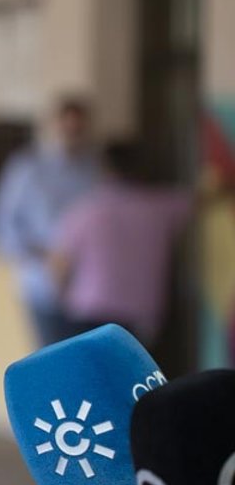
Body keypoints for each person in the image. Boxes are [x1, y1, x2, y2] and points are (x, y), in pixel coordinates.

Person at [48, 141, 194, 348]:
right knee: (134, 368)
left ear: (103, 169)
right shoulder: (162, 207)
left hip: (89, 310)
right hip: (141, 315)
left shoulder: (84, 210)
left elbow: (60, 266)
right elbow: (202, 197)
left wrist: (63, 299)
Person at [0, 97, 99, 347]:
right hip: (44, 288)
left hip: (91, 291)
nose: (72, 134)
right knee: (53, 358)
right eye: (67, 127)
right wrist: (47, 257)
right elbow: (4, 228)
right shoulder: (28, 168)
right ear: (54, 125)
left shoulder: (95, 169)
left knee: (87, 360)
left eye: (78, 129)